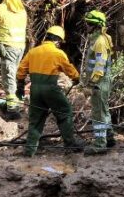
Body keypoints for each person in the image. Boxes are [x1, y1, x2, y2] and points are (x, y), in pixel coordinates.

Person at [16, 25, 84, 157]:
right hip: (51, 89)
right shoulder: (58, 53)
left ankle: (30, 150)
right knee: (65, 112)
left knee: (36, 119)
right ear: (57, 41)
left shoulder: (33, 52)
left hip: (35, 89)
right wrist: (76, 78)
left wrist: (20, 85)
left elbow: (21, 70)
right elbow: (69, 69)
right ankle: (70, 144)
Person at [82, 10, 115, 156]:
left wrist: (90, 84)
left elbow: (99, 67)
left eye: (89, 24)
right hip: (100, 82)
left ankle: (100, 144)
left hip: (99, 83)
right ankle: (109, 137)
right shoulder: (98, 39)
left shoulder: (100, 41)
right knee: (104, 110)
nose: (86, 26)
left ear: (95, 26)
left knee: (98, 114)